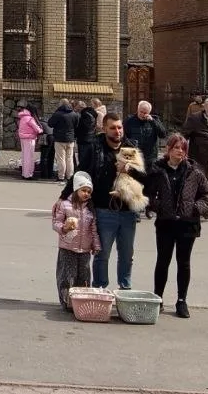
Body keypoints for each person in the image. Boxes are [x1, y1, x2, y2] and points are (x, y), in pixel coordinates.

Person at [70, 112, 147, 291]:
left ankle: (125, 288)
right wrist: (64, 196)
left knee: (127, 255)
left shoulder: (131, 147)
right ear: (104, 129)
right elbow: (81, 174)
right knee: (102, 254)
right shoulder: (95, 148)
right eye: (112, 128)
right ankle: (100, 288)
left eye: (119, 127)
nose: (117, 131)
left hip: (128, 211)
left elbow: (146, 176)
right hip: (104, 210)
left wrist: (130, 170)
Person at [144, 134, 208, 318]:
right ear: (169, 149)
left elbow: (207, 194)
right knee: (163, 261)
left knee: (183, 263)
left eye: (183, 148)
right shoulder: (158, 170)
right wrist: (158, 206)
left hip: (187, 225)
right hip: (166, 223)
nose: (180, 151)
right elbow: (148, 193)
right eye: (176, 148)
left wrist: (195, 209)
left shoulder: (194, 171)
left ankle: (182, 300)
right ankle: (158, 298)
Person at [52, 172, 100, 311]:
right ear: (76, 190)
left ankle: (81, 303)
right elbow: (56, 223)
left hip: (84, 249)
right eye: (83, 190)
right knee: (67, 277)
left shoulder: (90, 209)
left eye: (89, 192)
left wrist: (96, 245)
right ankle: (67, 302)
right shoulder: (65, 205)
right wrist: (64, 228)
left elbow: (94, 229)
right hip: (67, 248)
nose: (86, 194)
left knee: (83, 277)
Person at [124, 101, 167, 171]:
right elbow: (124, 137)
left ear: (149, 112)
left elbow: (163, 134)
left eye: (145, 113)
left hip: (150, 157)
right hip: (135, 156)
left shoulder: (154, 120)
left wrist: (153, 121)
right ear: (137, 110)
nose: (143, 114)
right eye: (141, 112)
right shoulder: (129, 121)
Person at [48, 99, 78, 182]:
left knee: (61, 158)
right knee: (69, 158)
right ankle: (70, 176)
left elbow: (50, 124)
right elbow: (76, 125)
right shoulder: (74, 114)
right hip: (71, 139)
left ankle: (61, 176)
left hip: (59, 139)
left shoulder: (58, 114)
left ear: (60, 104)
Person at [16, 103, 43, 180]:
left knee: (24, 156)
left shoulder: (22, 117)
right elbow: (37, 129)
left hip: (23, 138)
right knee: (29, 157)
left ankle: (24, 173)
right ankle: (28, 175)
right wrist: (41, 130)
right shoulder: (30, 119)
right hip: (30, 139)